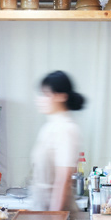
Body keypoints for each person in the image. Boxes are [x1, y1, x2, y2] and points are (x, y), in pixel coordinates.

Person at [28, 69, 85, 211]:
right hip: (42, 210)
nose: (39, 99)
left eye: (46, 94)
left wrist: (54, 219)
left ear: (61, 96)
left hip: (56, 213)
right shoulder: (49, 127)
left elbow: (63, 180)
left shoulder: (66, 129)